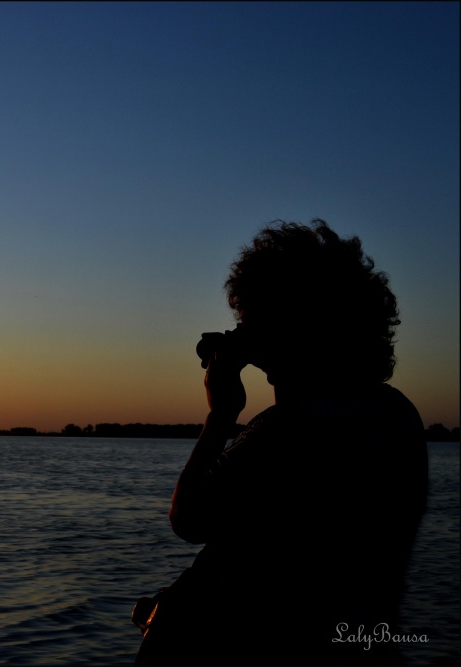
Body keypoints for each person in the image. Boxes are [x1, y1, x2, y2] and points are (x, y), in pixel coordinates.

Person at [134, 220, 428, 665]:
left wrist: (221, 413)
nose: (245, 332)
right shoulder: (397, 415)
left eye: (253, 320)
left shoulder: (292, 427)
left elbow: (188, 519)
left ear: (294, 323)